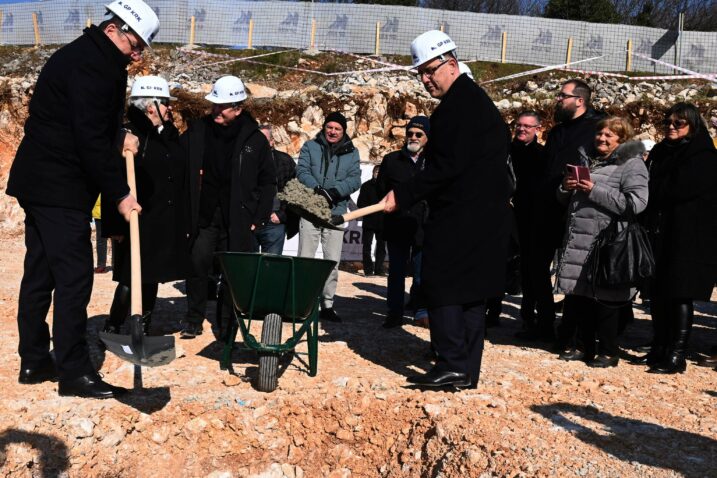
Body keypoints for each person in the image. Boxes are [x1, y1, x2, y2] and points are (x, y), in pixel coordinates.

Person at [5, 0, 159, 399]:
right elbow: (88, 137)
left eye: (143, 47)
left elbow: (83, 121)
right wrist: (121, 194)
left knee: (40, 272)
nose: (138, 53)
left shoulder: (82, 54)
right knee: (73, 278)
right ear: (114, 30)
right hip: (60, 185)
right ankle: (73, 371)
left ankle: (35, 360)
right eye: (135, 43)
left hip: (39, 181)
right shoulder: (95, 65)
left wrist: (117, 134)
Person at [383, 31, 512, 388]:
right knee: (471, 294)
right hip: (484, 217)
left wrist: (403, 195)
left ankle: (451, 362)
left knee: (440, 286)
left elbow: (445, 169)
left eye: (430, 71)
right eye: (420, 74)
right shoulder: (476, 101)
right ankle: (465, 370)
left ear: (451, 64)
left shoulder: (456, 109)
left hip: (460, 217)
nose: (425, 80)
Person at [181, 75, 276, 338]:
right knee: (197, 264)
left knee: (232, 272)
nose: (215, 110)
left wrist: (259, 216)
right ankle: (193, 319)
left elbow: (268, 181)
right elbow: (175, 160)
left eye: (221, 106)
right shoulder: (198, 131)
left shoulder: (254, 140)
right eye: (214, 105)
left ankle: (226, 323)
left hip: (238, 219)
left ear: (238, 108)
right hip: (204, 215)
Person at [554, 116, 649, 367]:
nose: (602, 138)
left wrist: (593, 189)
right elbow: (567, 199)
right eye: (600, 134)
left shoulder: (632, 165)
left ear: (622, 139)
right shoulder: (587, 159)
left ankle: (608, 350)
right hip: (579, 236)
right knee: (579, 294)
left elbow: (636, 204)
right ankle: (579, 345)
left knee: (606, 298)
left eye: (609, 135)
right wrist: (566, 187)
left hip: (607, 239)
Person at [101, 76, 189, 335]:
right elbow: (111, 183)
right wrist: (114, 225)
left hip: (161, 219)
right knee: (131, 276)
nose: (169, 108)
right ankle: (115, 325)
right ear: (151, 106)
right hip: (135, 220)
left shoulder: (167, 137)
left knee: (152, 276)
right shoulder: (128, 137)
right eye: (165, 104)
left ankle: (143, 326)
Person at [520, 79, 605, 345]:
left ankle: (573, 330)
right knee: (536, 267)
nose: (558, 100)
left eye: (563, 96)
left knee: (575, 271)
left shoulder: (596, 128)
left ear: (580, 100)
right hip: (547, 209)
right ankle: (543, 322)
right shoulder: (557, 132)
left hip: (577, 210)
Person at [637, 103, 717, 374]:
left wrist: (653, 189)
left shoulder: (702, 154)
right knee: (658, 292)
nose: (671, 127)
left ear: (693, 126)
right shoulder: (661, 150)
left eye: (678, 123)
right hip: (660, 229)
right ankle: (659, 346)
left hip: (688, 234)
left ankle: (677, 353)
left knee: (679, 293)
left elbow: (678, 189)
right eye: (668, 122)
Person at [297, 112, 361, 323]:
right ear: (324, 127)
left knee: (331, 261)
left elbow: (355, 179)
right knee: (305, 259)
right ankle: (302, 303)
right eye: (330, 127)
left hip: (336, 213)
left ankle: (327, 304)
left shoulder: (352, 152)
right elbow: (302, 170)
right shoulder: (310, 146)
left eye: (337, 129)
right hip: (310, 210)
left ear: (344, 131)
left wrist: (333, 192)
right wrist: (317, 189)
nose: (333, 132)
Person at [376, 116, 429, 329]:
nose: (413, 137)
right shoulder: (391, 161)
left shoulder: (434, 162)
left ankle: (420, 310)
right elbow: (381, 192)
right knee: (396, 272)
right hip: (397, 225)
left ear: (428, 137)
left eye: (419, 134)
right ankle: (394, 313)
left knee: (421, 273)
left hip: (423, 227)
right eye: (410, 133)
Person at [253, 124, 297, 255]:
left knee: (271, 267)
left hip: (274, 223)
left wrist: (282, 214)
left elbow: (294, 192)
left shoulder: (285, 161)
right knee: (249, 267)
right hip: (250, 223)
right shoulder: (243, 160)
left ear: (272, 141)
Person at [357, 165, 386, 276]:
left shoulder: (386, 186)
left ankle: (379, 269)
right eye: (377, 172)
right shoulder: (366, 186)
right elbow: (360, 203)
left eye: (380, 172)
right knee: (367, 246)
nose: (378, 174)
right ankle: (368, 270)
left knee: (381, 247)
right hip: (369, 221)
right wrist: (371, 208)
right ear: (373, 173)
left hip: (382, 222)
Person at [92, 195, 111, 274]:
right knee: (101, 239)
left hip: (111, 210)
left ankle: (116, 265)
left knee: (116, 239)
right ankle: (101, 265)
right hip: (99, 212)